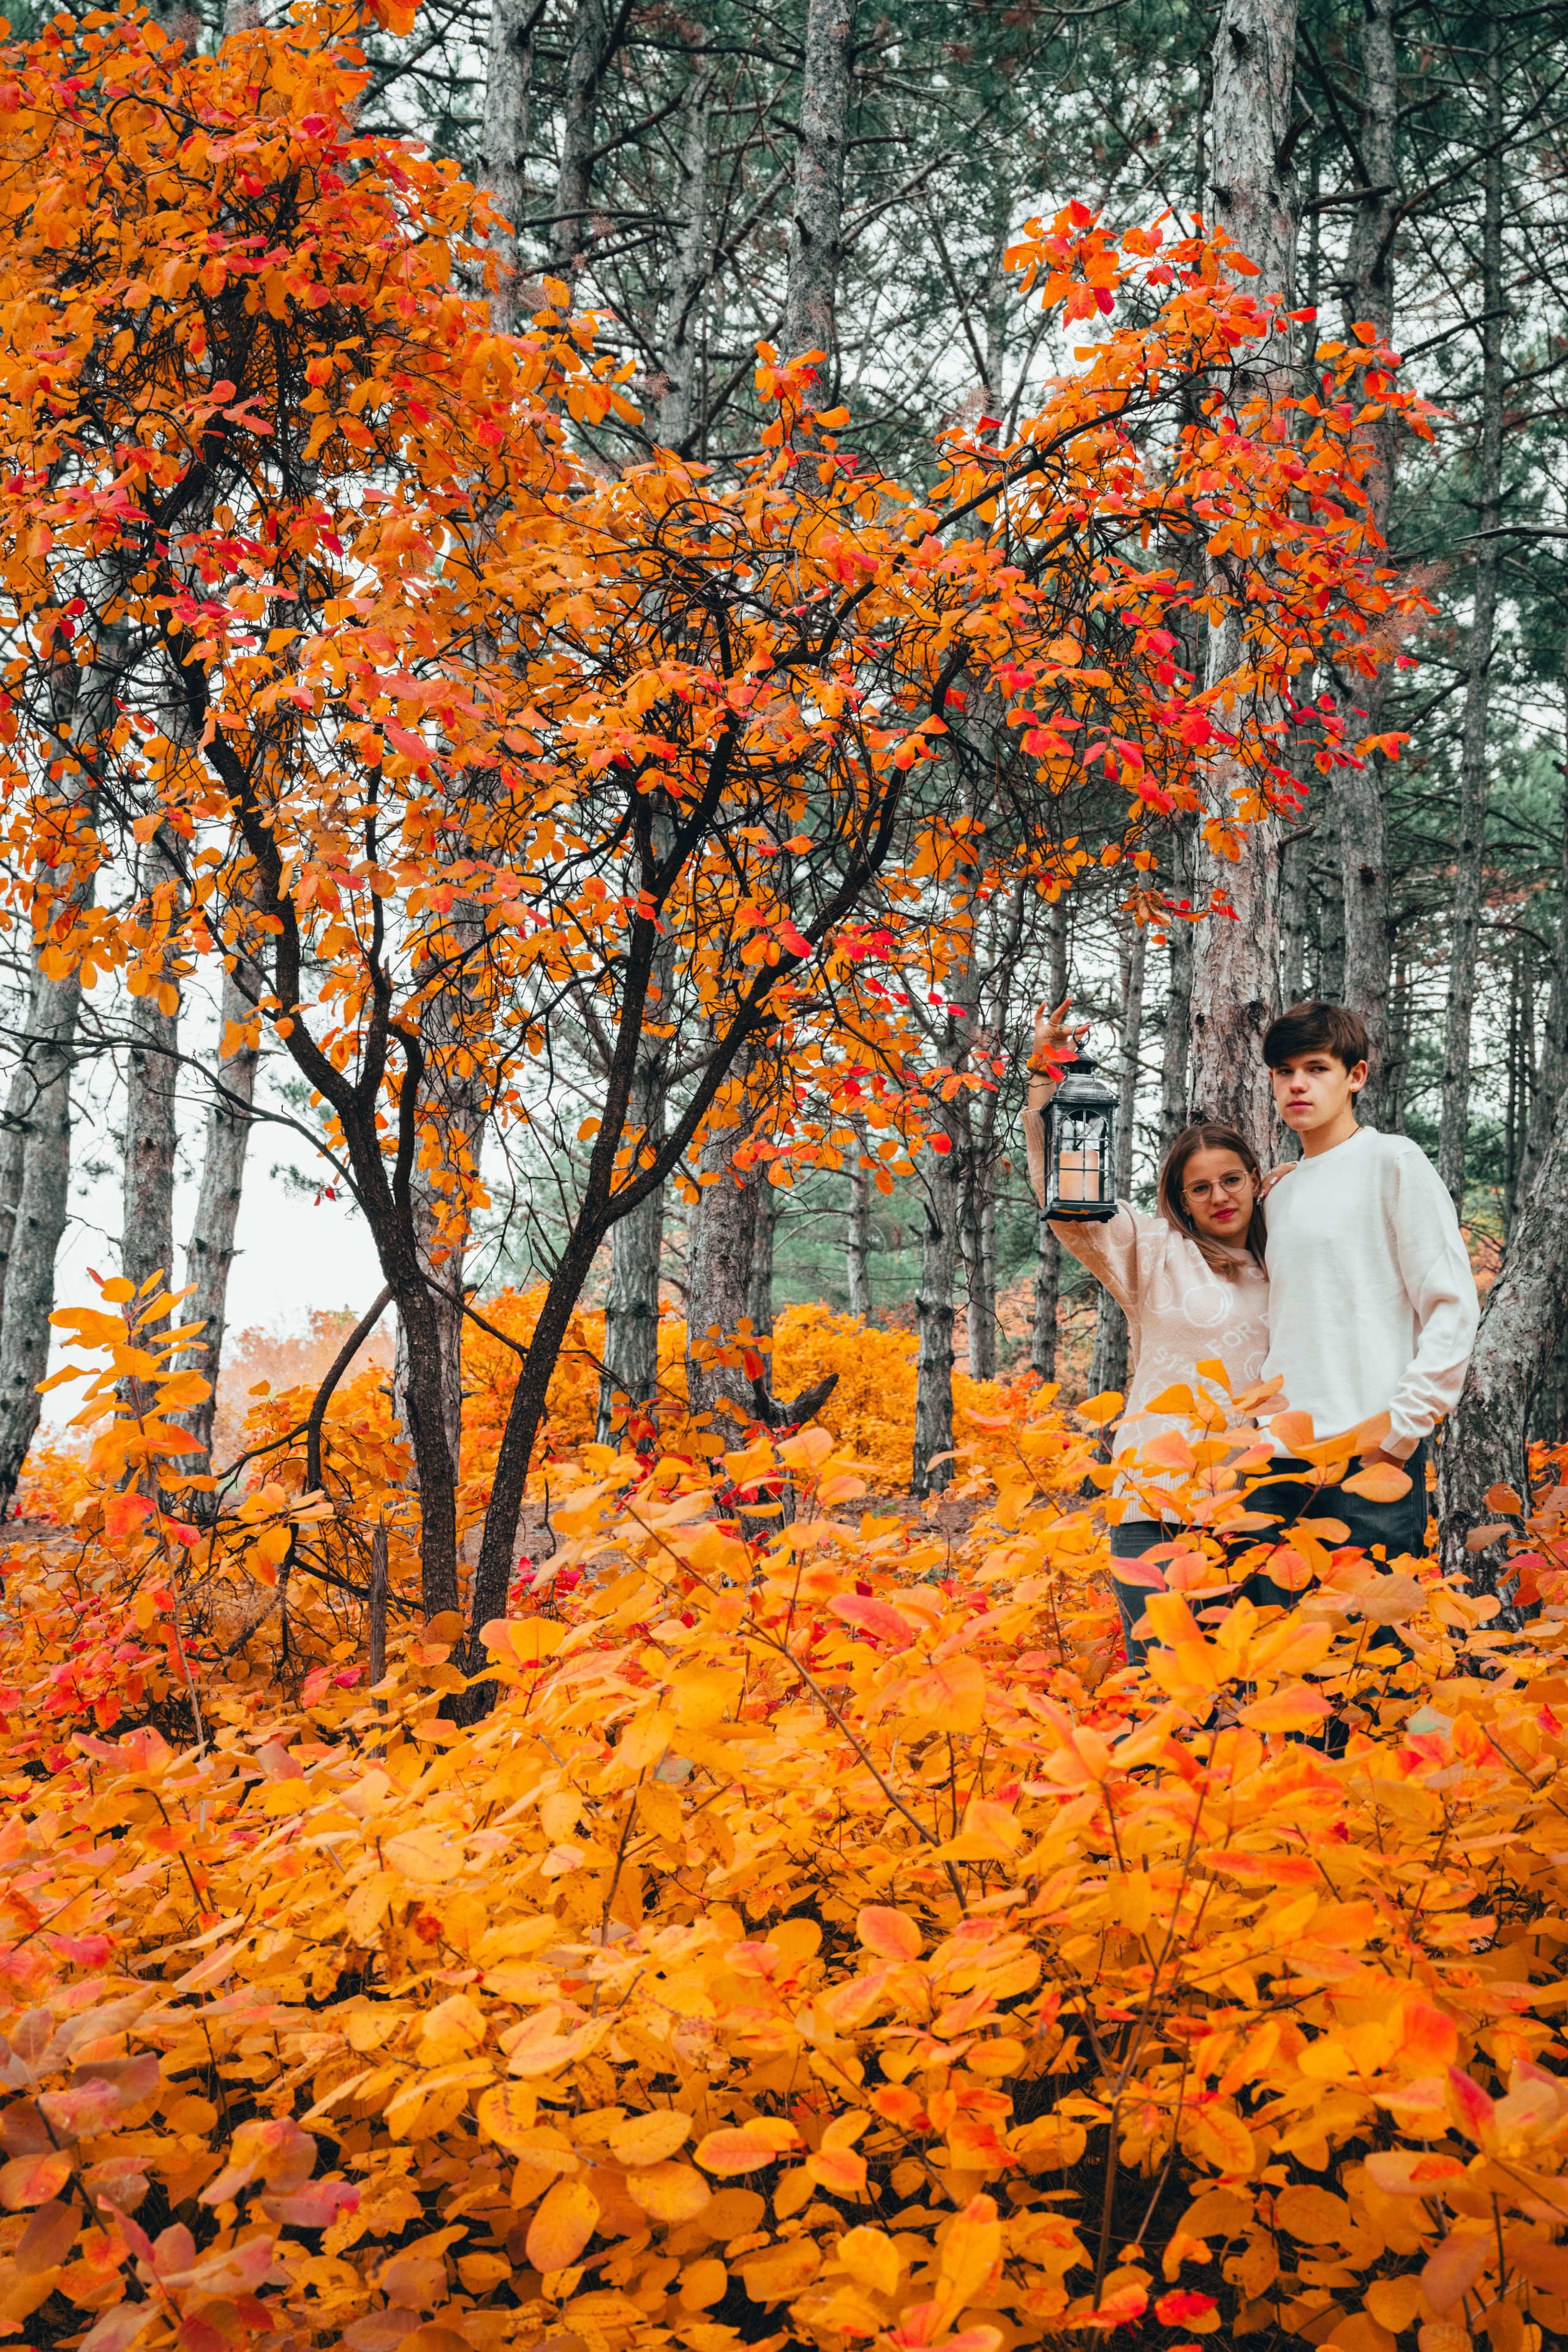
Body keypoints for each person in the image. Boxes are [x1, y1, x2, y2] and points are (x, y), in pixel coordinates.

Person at [1023, 998, 1271, 1664]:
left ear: (1255, 1181)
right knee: (1163, 1686)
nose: (1219, 1197)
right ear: (1178, 1198)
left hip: (1261, 1505)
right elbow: (1070, 1208)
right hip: (1153, 1504)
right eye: (1199, 1188)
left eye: (1231, 1180)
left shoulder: (1292, 1261)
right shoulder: (1154, 1251)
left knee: (1249, 1692)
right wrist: (1046, 1077)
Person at [1249, 1000, 1480, 1575]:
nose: (1297, 1084)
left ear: (1356, 1076)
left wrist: (1398, 1435)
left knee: (1370, 1654)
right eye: (1284, 1071)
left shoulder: (1392, 1161)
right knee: (1276, 1652)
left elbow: (1452, 1306)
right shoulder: (1276, 1193)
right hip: (1275, 1461)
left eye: (1316, 1068)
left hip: (1368, 1455)